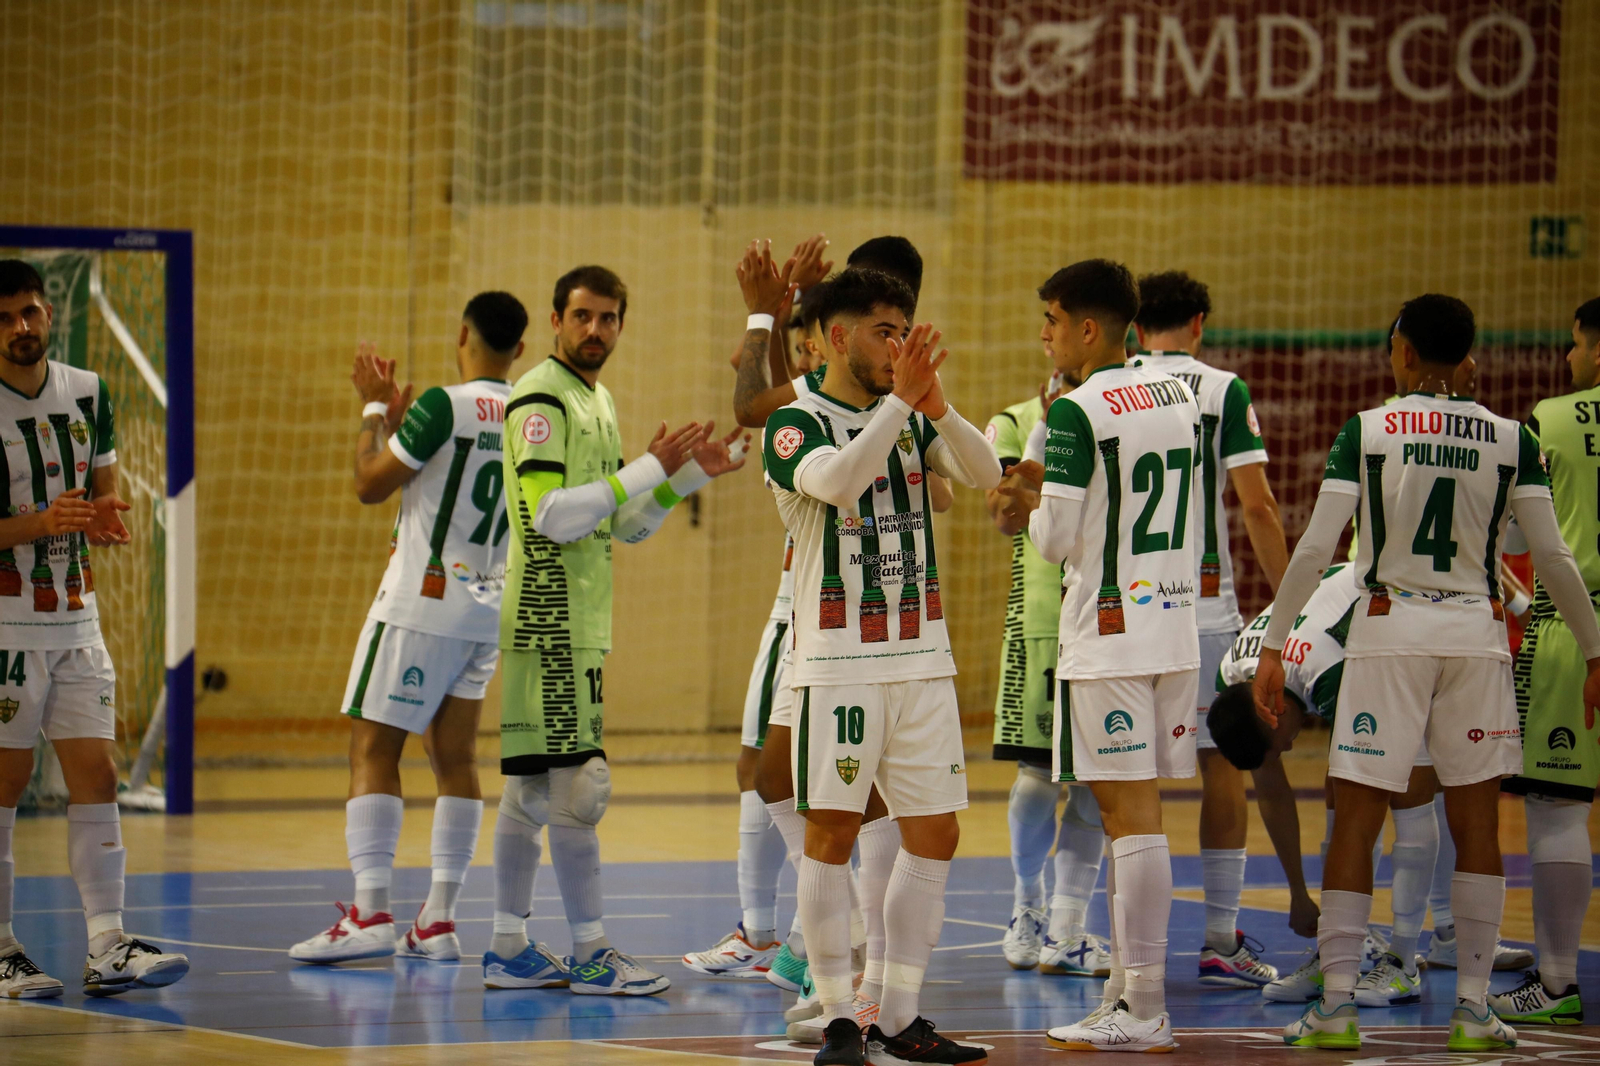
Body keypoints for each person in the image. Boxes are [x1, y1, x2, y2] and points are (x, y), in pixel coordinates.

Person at [1254, 294, 1600, 1051]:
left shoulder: (1369, 431)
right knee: (1479, 824)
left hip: (1390, 633)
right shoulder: (1514, 438)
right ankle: (1473, 1010)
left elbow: (1315, 550)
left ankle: (1337, 1006)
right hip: (1476, 634)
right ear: (1468, 355)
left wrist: (1276, 643)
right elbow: (1554, 558)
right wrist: (1597, 649)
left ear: (1403, 353)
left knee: (1359, 813)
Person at [486, 265, 747, 996]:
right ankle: (594, 953)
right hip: (550, 619)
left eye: (608, 318)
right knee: (580, 789)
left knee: (533, 793)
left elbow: (623, 523)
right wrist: (646, 467)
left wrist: (688, 475)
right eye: (582, 317)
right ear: (555, 321)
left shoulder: (595, 400)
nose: (595, 330)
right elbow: (550, 515)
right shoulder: (541, 396)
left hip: (575, 623)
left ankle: (508, 946)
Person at [764, 266, 1000, 1066]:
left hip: (923, 656)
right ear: (837, 336)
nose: (899, 344)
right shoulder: (793, 422)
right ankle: (836, 1017)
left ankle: (899, 1017)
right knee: (832, 830)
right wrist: (903, 404)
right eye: (883, 331)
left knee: (936, 832)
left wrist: (938, 408)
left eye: (906, 331)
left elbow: (987, 474)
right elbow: (836, 480)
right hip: (839, 663)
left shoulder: (911, 415)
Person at [289, 293, 528, 966]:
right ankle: (440, 921)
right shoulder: (528, 413)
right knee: (457, 759)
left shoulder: (442, 406)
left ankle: (369, 912)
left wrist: (373, 411)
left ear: (463, 335)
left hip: (421, 603)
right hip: (487, 607)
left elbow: (370, 483)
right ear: (521, 347)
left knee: (373, 747)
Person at [1002, 259, 1200, 1052]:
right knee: (1132, 816)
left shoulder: (1079, 409)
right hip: (1173, 627)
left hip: (1111, 631)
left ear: (1090, 328)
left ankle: (1144, 1006)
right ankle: (1126, 989)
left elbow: (1050, 540)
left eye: (1051, 319)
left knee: (1131, 820)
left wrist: (1031, 490)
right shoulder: (1178, 396)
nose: (1044, 334)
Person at [0, 259, 188, 998]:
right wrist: (41, 523)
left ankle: (108, 944)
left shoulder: (88, 391)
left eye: (31, 313)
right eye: (6, 316)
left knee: (98, 776)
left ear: (50, 314)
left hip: (78, 621)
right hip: (8, 627)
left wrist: (104, 516)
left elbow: (102, 486)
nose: (22, 327)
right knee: (6, 784)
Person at [684, 237, 834, 983]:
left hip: (810, 613)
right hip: (826, 610)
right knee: (790, 775)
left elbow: (754, 407)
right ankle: (785, 937)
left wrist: (764, 314)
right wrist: (780, 315)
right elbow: (784, 414)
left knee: (783, 776)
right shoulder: (865, 395)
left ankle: (802, 941)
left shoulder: (842, 393)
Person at [1132, 271, 1287, 988]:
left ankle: (1118, 952)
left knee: (1126, 782)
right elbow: (1257, 508)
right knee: (1222, 771)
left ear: (1135, 327)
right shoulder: (1222, 389)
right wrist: (1292, 609)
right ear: (1199, 323)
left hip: (1123, 614)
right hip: (1202, 611)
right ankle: (1221, 939)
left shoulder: (1105, 387)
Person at [1209, 565, 1445, 1007]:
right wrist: (1298, 895)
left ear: (1273, 712)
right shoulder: (1233, 678)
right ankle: (1338, 953)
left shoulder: (1328, 675)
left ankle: (1405, 960)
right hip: (1354, 622)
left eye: (1280, 745)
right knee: (1344, 791)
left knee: (1410, 792)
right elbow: (1273, 792)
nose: (1289, 748)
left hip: (1415, 619)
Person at [1489, 296, 1600, 1026]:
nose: (1569, 356)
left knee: (1557, 808)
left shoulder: (1552, 420)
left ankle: (1557, 982)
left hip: (1572, 621)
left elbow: (1507, 528)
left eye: (1574, 343)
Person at [985, 369, 1110, 978]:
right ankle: (1026, 905)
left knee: (1098, 777)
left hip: (1107, 618)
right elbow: (1004, 515)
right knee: (1038, 774)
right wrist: (1039, 442)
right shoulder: (1013, 420)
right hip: (1041, 617)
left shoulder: (1120, 410)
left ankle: (1069, 927)